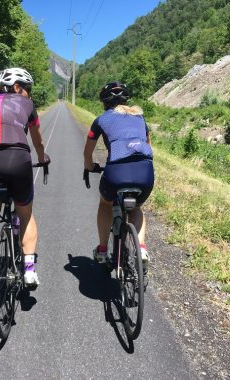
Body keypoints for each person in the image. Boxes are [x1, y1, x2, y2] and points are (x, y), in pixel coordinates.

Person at [0, 67, 50, 288]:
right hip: (17, 158)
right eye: (27, 89)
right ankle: (29, 271)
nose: (29, 94)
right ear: (17, 87)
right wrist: (43, 158)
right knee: (26, 214)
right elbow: (37, 140)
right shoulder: (28, 105)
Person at [83, 81, 154, 273]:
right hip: (145, 171)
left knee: (106, 203)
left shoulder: (101, 120)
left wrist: (89, 167)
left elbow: (87, 152)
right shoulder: (140, 117)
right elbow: (148, 144)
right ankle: (141, 249)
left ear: (104, 102)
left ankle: (103, 250)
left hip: (116, 172)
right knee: (137, 207)